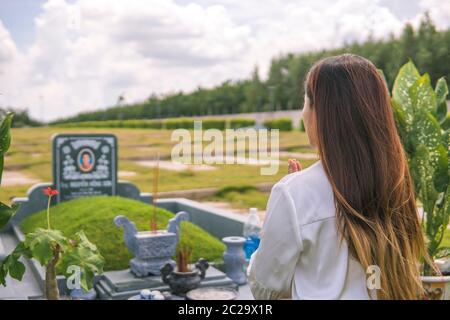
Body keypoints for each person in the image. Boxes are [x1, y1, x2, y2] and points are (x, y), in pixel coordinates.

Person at [247, 54, 430, 300]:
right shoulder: (396, 182)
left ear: (321, 113)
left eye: (306, 103)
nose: (303, 114)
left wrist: (294, 200)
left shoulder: (293, 194)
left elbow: (266, 289)